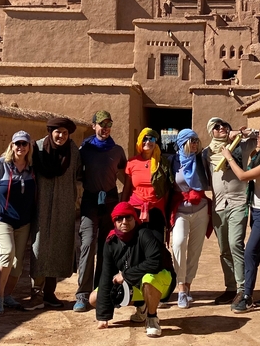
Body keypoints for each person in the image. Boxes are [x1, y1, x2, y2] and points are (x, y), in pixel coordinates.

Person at [221, 123, 260, 313]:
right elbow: (252, 157)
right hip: (257, 211)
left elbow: (243, 176)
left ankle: (246, 297)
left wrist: (229, 157)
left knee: (250, 253)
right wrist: (248, 133)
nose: (257, 139)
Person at [90, 202, 175, 338]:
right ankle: (142, 304)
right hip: (134, 283)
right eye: (119, 218)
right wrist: (103, 316)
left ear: (135, 219)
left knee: (148, 279)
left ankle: (152, 318)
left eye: (128, 218)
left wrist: (125, 274)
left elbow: (155, 262)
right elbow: (106, 276)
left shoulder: (145, 234)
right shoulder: (111, 242)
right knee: (94, 299)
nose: (124, 222)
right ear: (114, 221)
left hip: (161, 280)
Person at [74, 110, 128, 312]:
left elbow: (125, 172)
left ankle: (101, 289)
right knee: (87, 244)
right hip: (90, 201)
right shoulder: (85, 149)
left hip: (111, 200)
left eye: (108, 124)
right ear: (93, 125)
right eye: (101, 124)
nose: (105, 128)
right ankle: (82, 294)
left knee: (107, 246)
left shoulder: (117, 150)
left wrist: (125, 197)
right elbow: (77, 174)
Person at [0, 131, 37, 315]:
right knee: (7, 252)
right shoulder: (0, 166)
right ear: (12, 146)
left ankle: (8, 295)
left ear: (29, 147)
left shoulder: (33, 168)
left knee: (18, 264)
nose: (21, 147)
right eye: (17, 144)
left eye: (24, 144)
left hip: (24, 222)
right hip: (2, 219)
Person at [202, 117, 256, 306]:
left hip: (238, 203)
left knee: (235, 245)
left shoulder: (240, 146)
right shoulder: (207, 153)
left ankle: (243, 290)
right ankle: (231, 288)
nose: (221, 129)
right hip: (218, 206)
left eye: (223, 125)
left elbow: (258, 138)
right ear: (211, 132)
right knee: (224, 249)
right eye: (216, 127)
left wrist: (242, 133)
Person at [28, 117, 81, 310]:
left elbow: (79, 174)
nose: (61, 136)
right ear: (51, 132)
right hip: (41, 206)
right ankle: (36, 293)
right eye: (58, 132)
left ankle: (50, 293)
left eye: (65, 133)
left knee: (58, 249)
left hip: (64, 207)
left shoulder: (73, 152)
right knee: (39, 248)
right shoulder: (38, 148)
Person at [167, 129, 211, 308]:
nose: (194, 144)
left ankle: (187, 287)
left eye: (196, 140)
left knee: (195, 250)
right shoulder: (173, 161)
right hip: (181, 209)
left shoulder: (201, 159)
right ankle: (181, 287)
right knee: (178, 243)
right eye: (191, 140)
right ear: (182, 142)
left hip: (201, 209)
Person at [122, 128, 172, 236]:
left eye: (151, 139)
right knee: (136, 245)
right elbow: (126, 189)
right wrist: (122, 209)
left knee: (156, 246)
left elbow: (166, 189)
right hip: (135, 209)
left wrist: (166, 212)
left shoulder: (163, 163)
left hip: (156, 210)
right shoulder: (132, 162)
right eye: (145, 139)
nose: (148, 142)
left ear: (155, 142)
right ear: (140, 141)